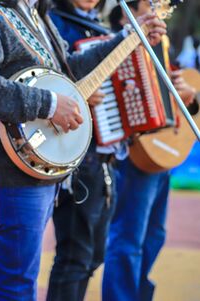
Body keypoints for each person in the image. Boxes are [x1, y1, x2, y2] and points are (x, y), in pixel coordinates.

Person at [0, 0, 165, 299]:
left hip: (34, 173)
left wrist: (128, 38)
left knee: (15, 281)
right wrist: (47, 105)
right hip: (9, 178)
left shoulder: (33, 15)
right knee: (13, 286)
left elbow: (69, 69)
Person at [102, 1, 196, 301]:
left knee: (154, 235)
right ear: (132, 7)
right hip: (134, 152)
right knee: (128, 239)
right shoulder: (111, 39)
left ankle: (139, 293)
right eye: (152, 3)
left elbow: (177, 97)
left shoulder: (162, 42)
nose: (160, 8)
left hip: (162, 150)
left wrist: (188, 96)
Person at [45, 1, 123, 300]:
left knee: (93, 256)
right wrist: (75, 94)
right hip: (75, 151)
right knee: (75, 257)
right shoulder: (52, 22)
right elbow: (46, 78)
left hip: (105, 153)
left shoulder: (101, 28)